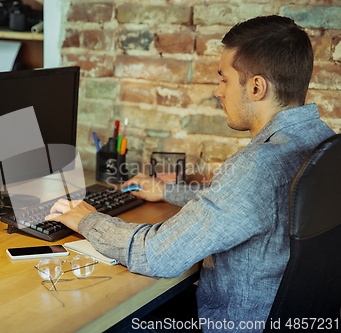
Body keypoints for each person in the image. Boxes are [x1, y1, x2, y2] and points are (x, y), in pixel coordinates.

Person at [46, 15, 335, 332]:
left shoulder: (256, 165)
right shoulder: (323, 141)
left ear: (256, 87)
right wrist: (168, 191)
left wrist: (86, 217)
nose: (217, 91)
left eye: (224, 78)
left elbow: (157, 254)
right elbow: (252, 207)